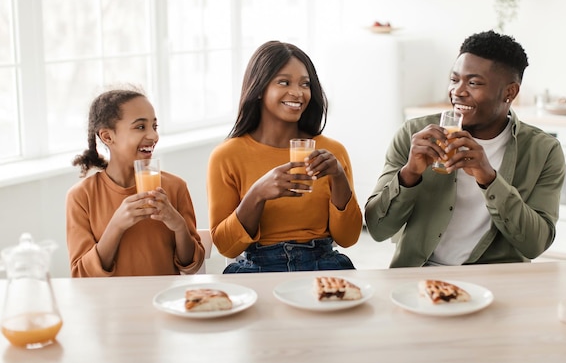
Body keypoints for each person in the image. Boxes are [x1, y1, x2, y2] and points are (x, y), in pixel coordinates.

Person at [365, 30, 566, 267]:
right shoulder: (413, 135)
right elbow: (377, 230)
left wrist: (489, 179)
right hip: (419, 276)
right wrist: (409, 174)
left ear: (509, 92)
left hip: (494, 281)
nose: (457, 91)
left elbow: (535, 245)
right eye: (454, 79)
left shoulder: (544, 151)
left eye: (473, 83)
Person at [207, 40, 362, 273]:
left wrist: (339, 177)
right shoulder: (226, 156)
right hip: (257, 268)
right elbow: (227, 247)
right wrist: (257, 194)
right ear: (259, 89)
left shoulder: (333, 152)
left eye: (305, 84)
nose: (298, 93)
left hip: (324, 265)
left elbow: (348, 238)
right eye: (284, 82)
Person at [66, 87, 205, 277]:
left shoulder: (175, 187)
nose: (154, 136)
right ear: (107, 136)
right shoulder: (81, 197)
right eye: (140, 127)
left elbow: (192, 265)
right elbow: (81, 275)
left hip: (163, 301)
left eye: (154, 127)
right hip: (111, 305)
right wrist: (116, 226)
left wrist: (178, 226)